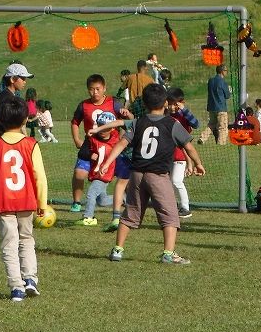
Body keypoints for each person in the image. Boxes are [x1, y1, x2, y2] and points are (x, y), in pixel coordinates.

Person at [102, 83, 205, 265]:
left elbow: (122, 144)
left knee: (131, 212)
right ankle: (168, 253)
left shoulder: (137, 122)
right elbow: (189, 146)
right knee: (170, 214)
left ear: (144, 103)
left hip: (136, 174)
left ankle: (117, 250)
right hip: (158, 176)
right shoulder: (172, 124)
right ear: (166, 102)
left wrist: (107, 162)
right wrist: (198, 163)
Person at [0, 94, 48, 301]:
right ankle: (30, 279)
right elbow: (40, 177)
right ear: (26, 119)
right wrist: (42, 203)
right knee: (26, 239)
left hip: (4, 202)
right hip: (27, 201)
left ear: (0, 120)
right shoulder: (31, 144)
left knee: (9, 243)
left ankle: (16, 288)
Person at [70, 74, 124, 213]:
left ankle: (130, 199)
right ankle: (76, 203)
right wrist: (77, 139)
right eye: (91, 89)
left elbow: (125, 121)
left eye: (98, 89)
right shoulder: (84, 105)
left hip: (110, 147)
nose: (95, 92)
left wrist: (123, 140)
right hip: (90, 145)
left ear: (104, 88)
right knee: (79, 173)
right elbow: (75, 122)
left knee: (124, 175)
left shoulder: (114, 103)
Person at [77, 112, 121, 226]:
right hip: (94, 172)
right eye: (100, 125)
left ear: (112, 128)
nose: (102, 129)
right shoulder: (92, 138)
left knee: (91, 193)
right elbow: (82, 153)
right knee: (102, 201)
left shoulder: (117, 139)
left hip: (105, 174)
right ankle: (123, 198)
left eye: (106, 127)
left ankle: (88, 217)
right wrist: (90, 155)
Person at [167, 87, 200, 218]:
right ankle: (170, 206)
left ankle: (185, 207)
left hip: (180, 154)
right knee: (167, 182)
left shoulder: (183, 115)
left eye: (175, 104)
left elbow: (196, 124)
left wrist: (184, 109)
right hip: (168, 153)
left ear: (181, 103)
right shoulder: (166, 115)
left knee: (176, 181)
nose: (171, 107)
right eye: (169, 103)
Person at [0, 64, 34, 139]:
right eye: (23, 78)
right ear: (12, 79)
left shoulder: (8, 95)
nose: (25, 82)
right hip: (4, 140)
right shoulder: (7, 98)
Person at [198, 65, 231, 145]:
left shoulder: (210, 81)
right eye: (226, 70)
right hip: (221, 108)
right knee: (222, 128)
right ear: (222, 71)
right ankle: (221, 144)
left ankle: (202, 138)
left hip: (211, 107)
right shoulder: (223, 82)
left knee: (211, 124)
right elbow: (227, 96)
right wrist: (229, 90)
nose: (226, 72)